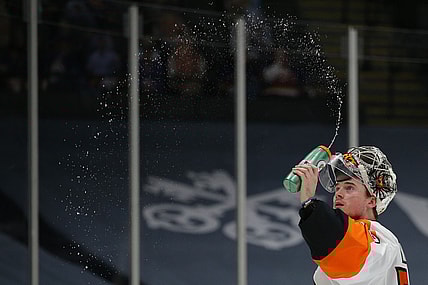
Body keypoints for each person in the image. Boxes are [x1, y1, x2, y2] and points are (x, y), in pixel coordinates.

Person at [292, 146, 410, 285]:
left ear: (372, 200)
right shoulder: (375, 240)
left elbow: (345, 252)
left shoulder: (380, 238)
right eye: (337, 188)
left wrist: (309, 203)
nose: (338, 194)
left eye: (349, 187)